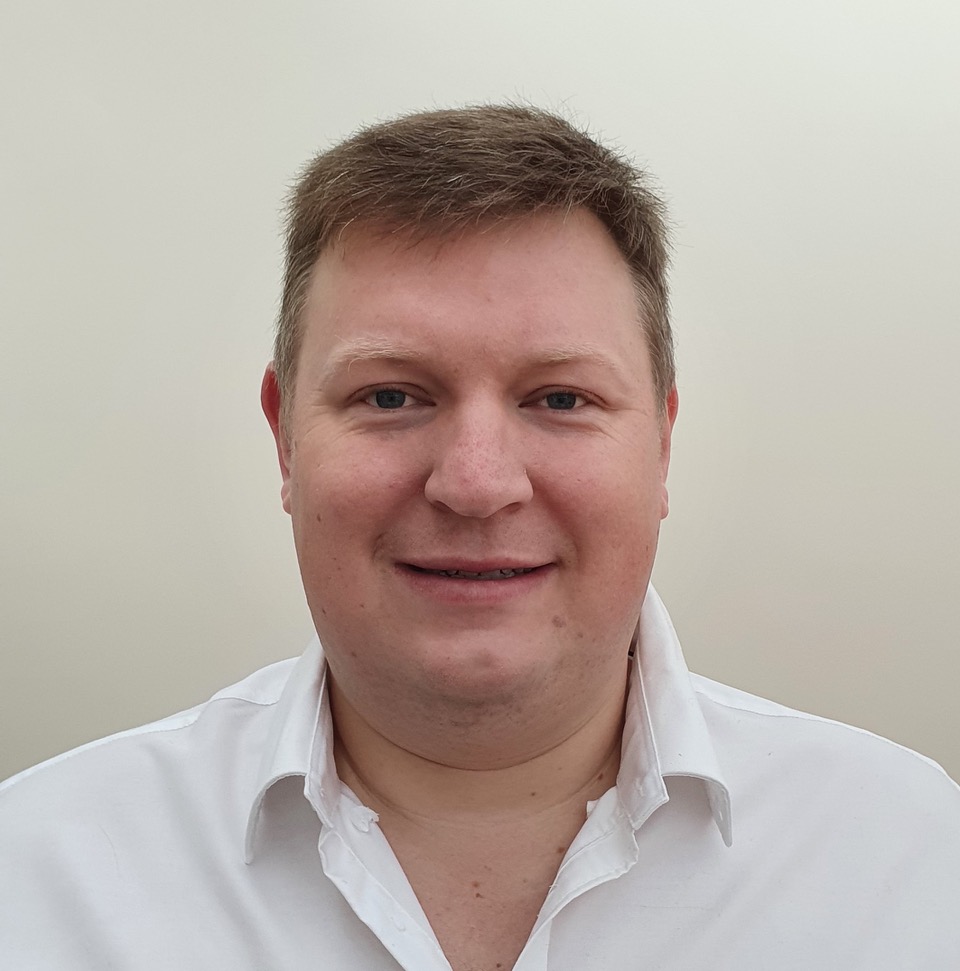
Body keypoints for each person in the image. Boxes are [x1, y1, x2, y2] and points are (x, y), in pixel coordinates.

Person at [1, 105, 958, 971]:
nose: (476, 483)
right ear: (284, 437)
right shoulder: (36, 870)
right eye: (390, 395)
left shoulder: (911, 857)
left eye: (560, 399)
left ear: (662, 445)